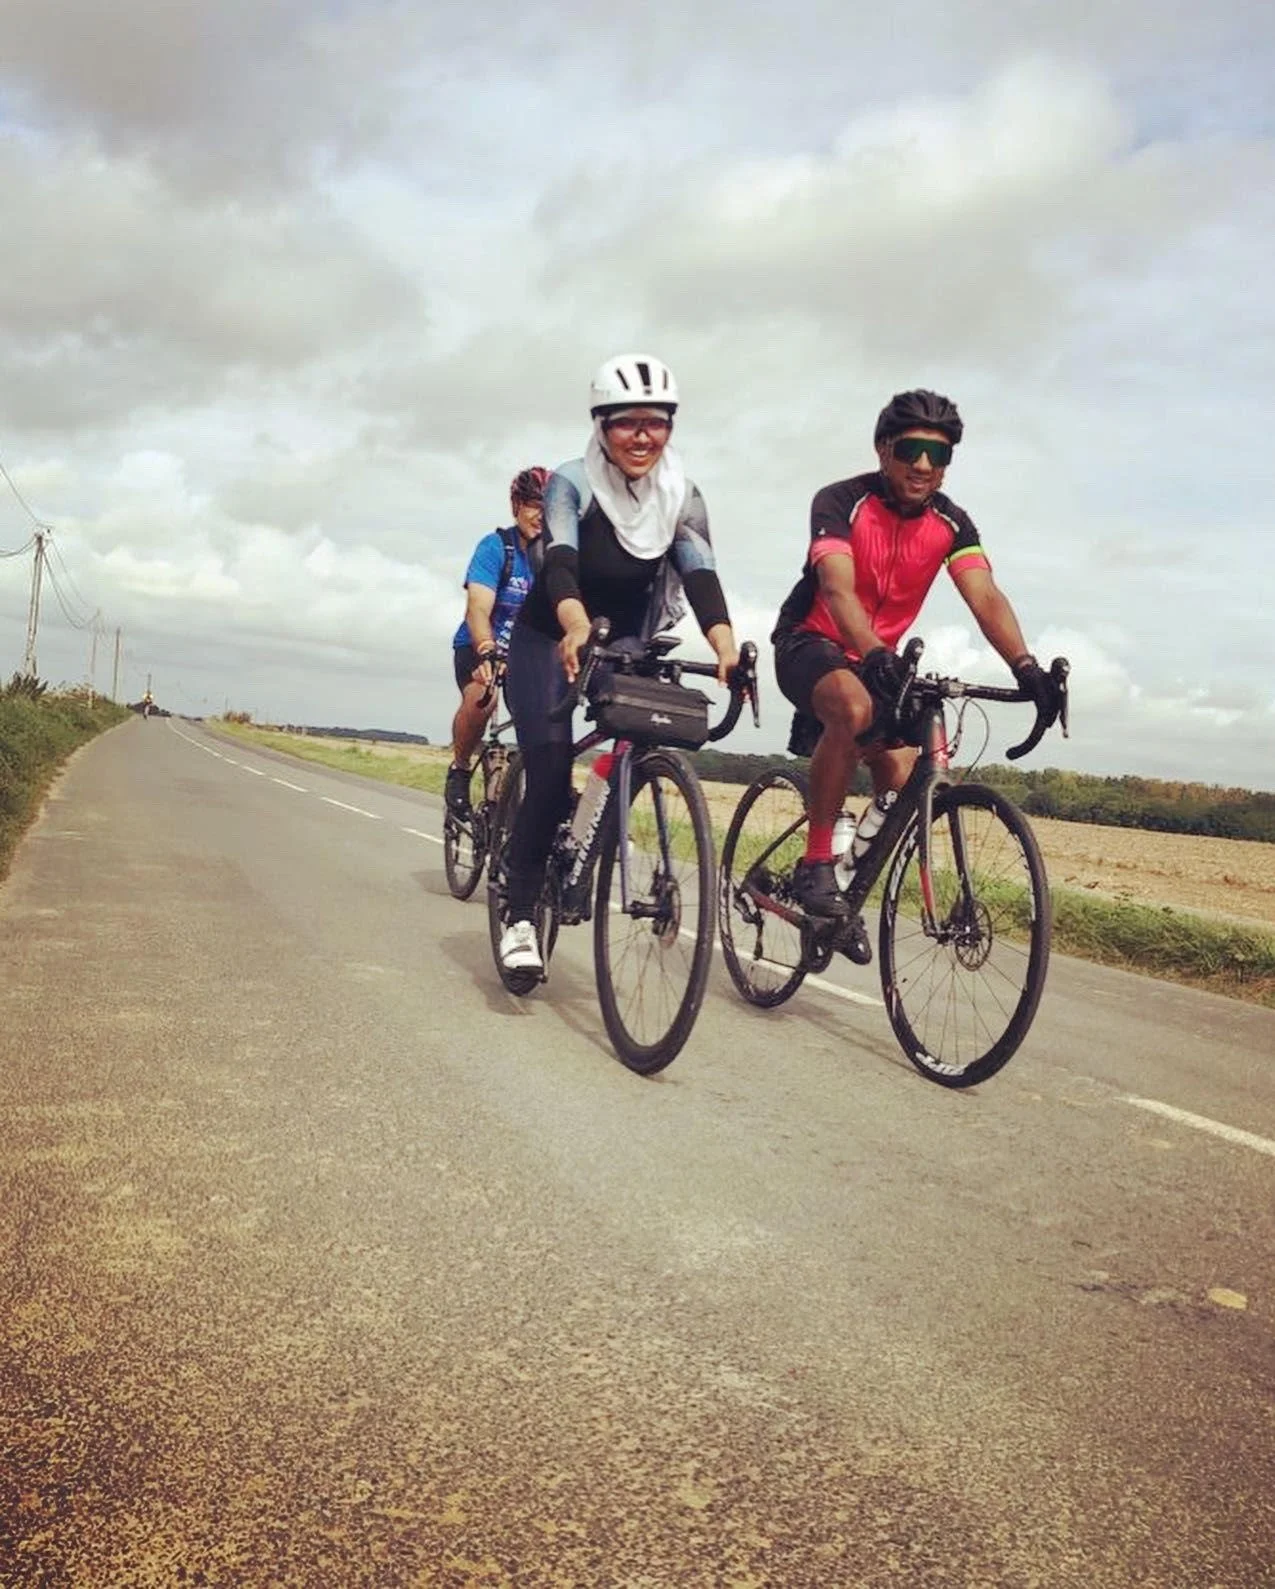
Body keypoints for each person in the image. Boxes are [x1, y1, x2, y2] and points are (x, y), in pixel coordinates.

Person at [771, 387, 1062, 940]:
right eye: (911, 449)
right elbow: (836, 589)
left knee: (905, 773)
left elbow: (985, 596)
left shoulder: (952, 524)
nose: (924, 464)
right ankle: (815, 862)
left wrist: (1026, 667)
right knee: (853, 707)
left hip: (879, 661)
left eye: (939, 453)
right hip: (810, 641)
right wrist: (874, 651)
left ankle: (844, 884)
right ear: (883, 449)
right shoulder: (840, 501)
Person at [498, 354, 742, 972]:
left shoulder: (681, 495)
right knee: (551, 768)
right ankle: (520, 914)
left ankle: (591, 831)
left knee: (643, 732)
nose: (642, 436)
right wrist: (576, 624)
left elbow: (701, 573)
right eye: (627, 422)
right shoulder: (571, 483)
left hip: (626, 637)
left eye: (656, 422)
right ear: (602, 426)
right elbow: (559, 561)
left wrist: (725, 645)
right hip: (549, 634)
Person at [445, 467, 550, 819]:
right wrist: (487, 649)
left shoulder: (556, 557)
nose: (541, 515)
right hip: (478, 645)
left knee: (547, 719)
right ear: (516, 506)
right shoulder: (496, 548)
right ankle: (460, 768)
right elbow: (478, 608)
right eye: (534, 505)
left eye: (549, 508)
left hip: (525, 656)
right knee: (483, 697)